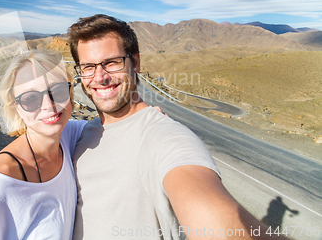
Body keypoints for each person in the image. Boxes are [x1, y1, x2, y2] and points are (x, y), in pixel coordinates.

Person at [68, 14, 288, 240]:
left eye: (112, 63)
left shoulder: (166, 137)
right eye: (88, 67)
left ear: (136, 62)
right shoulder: (80, 133)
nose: (100, 77)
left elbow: (216, 226)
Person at [0, 49, 87, 240]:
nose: (49, 104)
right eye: (31, 98)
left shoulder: (68, 136)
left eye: (57, 90)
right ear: (17, 108)